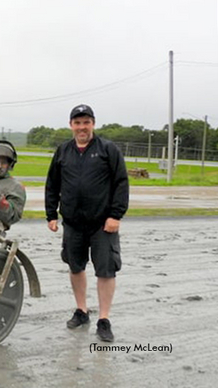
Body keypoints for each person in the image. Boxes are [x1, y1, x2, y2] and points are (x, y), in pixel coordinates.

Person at [45, 104, 129, 343]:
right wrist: (51, 214)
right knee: (75, 267)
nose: (82, 127)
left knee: (106, 270)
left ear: (93, 123)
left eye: (86, 122)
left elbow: (121, 183)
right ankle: (81, 311)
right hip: (72, 223)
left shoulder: (108, 150)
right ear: (71, 125)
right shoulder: (63, 151)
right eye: (77, 122)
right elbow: (52, 184)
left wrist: (116, 215)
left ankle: (104, 319)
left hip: (103, 224)